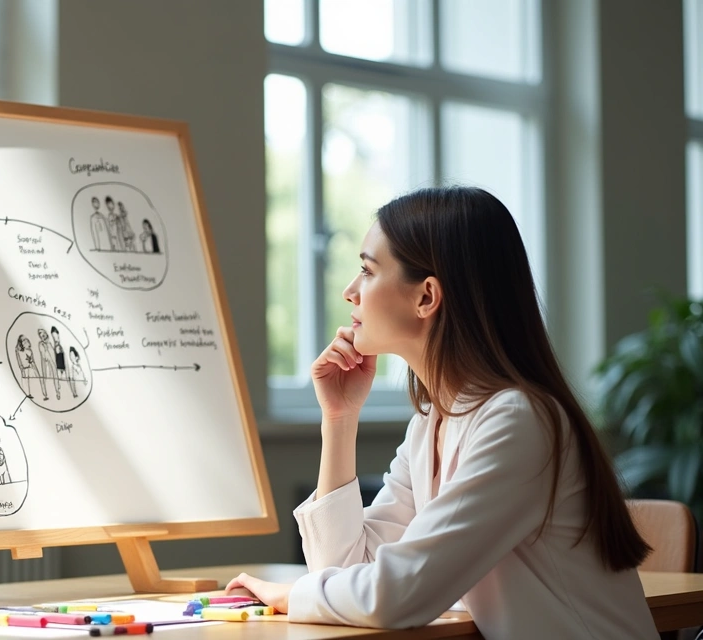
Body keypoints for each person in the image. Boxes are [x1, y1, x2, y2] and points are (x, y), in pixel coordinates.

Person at [225, 187, 657, 639]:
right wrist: (338, 420)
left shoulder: (518, 421)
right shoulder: (431, 424)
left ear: (427, 297)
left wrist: (292, 595)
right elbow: (350, 572)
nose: (349, 292)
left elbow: (398, 595)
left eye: (367, 272)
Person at [14, 334, 43, 398]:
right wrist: (21, 368)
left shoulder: (29, 350)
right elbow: (19, 360)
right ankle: (27, 394)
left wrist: (34, 368)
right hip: (24, 368)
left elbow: (33, 360)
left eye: (26, 340)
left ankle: (37, 393)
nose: (25, 341)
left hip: (31, 367)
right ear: (20, 342)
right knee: (25, 381)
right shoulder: (18, 351)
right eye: (23, 340)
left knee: (34, 380)